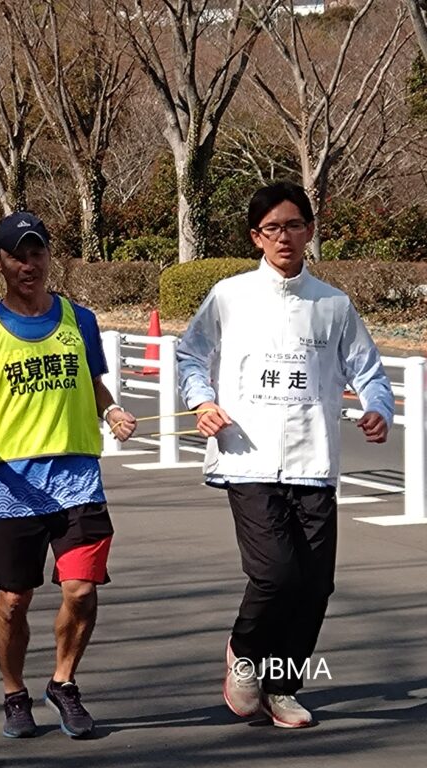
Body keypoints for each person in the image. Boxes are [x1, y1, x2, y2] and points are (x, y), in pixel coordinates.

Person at [177, 182, 395, 729]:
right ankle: (245, 654)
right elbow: (190, 353)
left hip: (313, 461)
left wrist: (377, 408)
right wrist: (201, 400)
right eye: (271, 228)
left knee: (316, 583)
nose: (284, 237)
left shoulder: (333, 305)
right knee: (276, 575)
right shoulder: (230, 295)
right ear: (256, 237)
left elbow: (368, 370)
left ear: (310, 231)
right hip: (246, 458)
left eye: (294, 225)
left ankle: (282, 687)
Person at [0, 212, 138, 740]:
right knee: (13, 599)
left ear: (50, 257)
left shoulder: (81, 320)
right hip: (13, 487)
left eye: (37, 253)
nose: (29, 265)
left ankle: (63, 682)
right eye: (16, 255)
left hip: (77, 480)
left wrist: (112, 411)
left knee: (81, 589)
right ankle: (14, 693)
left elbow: (93, 383)